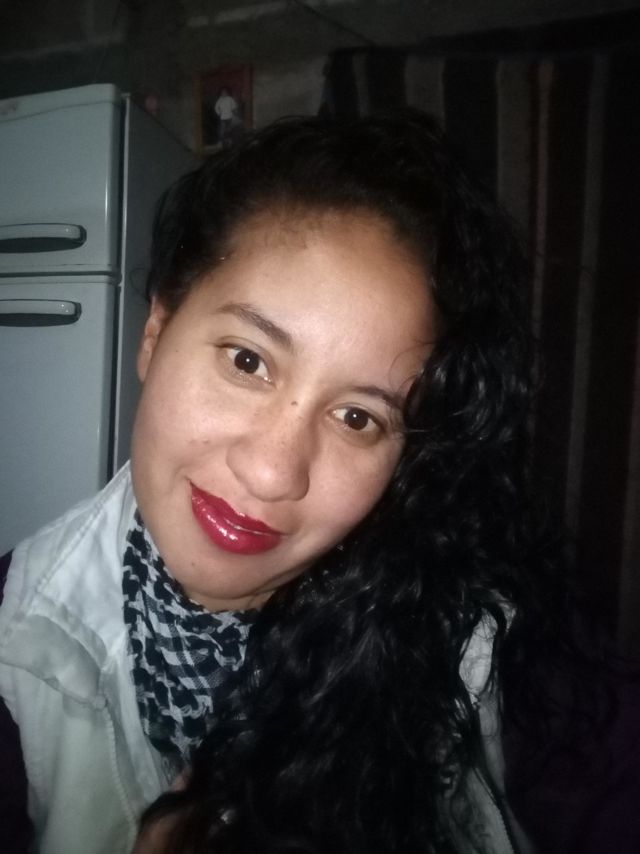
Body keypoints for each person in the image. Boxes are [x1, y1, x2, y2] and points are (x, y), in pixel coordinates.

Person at [0, 110, 555, 853]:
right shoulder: (13, 643)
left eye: (358, 417)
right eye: (248, 360)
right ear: (156, 332)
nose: (270, 474)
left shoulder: (474, 634)